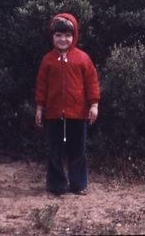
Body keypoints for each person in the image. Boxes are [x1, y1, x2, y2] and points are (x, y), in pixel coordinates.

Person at [35, 13, 100, 196]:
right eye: (58, 35)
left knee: (78, 150)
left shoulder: (82, 58)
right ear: (52, 37)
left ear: (74, 36)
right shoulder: (47, 60)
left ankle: (78, 184)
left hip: (78, 113)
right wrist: (39, 108)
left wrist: (93, 105)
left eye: (67, 35)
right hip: (54, 113)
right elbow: (41, 86)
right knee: (54, 151)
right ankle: (57, 185)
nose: (63, 39)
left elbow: (92, 82)